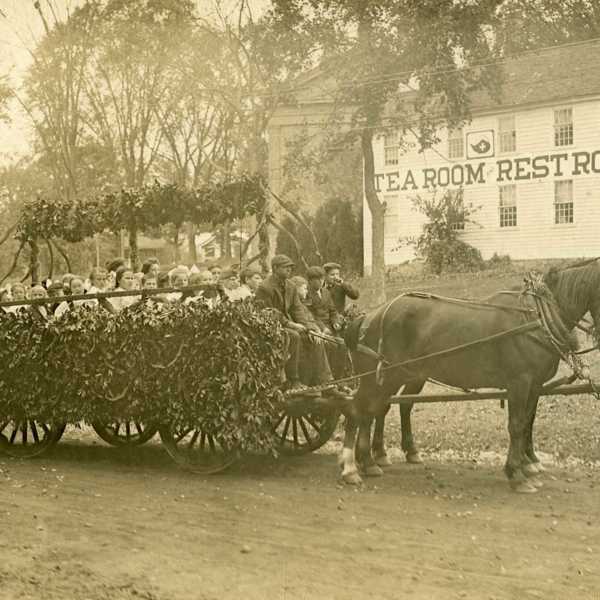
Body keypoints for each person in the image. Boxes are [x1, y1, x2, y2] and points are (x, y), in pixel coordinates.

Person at [255, 255, 342, 393]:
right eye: (286, 267)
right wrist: (291, 324)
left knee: (315, 338)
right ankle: (293, 381)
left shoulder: (290, 286)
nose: (289, 270)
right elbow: (268, 313)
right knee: (294, 336)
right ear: (275, 268)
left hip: (288, 324)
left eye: (291, 267)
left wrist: (311, 328)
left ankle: (324, 381)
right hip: (270, 326)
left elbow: (298, 310)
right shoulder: (264, 288)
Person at [304, 266, 342, 334]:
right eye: (317, 279)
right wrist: (323, 328)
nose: (321, 281)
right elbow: (311, 315)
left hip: (330, 325)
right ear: (310, 280)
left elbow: (332, 310)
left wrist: (335, 322)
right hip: (317, 327)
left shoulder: (326, 292)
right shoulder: (307, 294)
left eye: (322, 278)